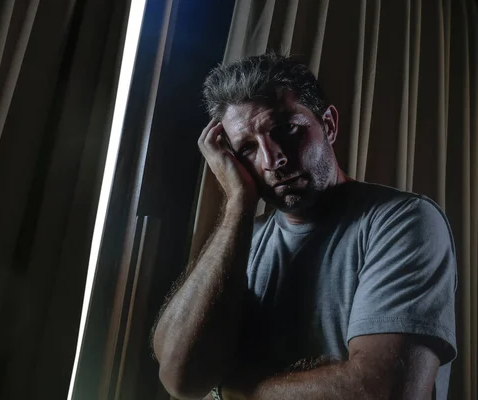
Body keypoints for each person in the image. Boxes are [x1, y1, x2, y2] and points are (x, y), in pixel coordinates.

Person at [151, 53, 457, 400]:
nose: (272, 160)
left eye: (285, 130)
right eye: (247, 149)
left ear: (328, 124)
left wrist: (230, 391)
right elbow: (180, 379)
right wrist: (238, 204)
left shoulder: (402, 221)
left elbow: (384, 392)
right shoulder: (242, 238)